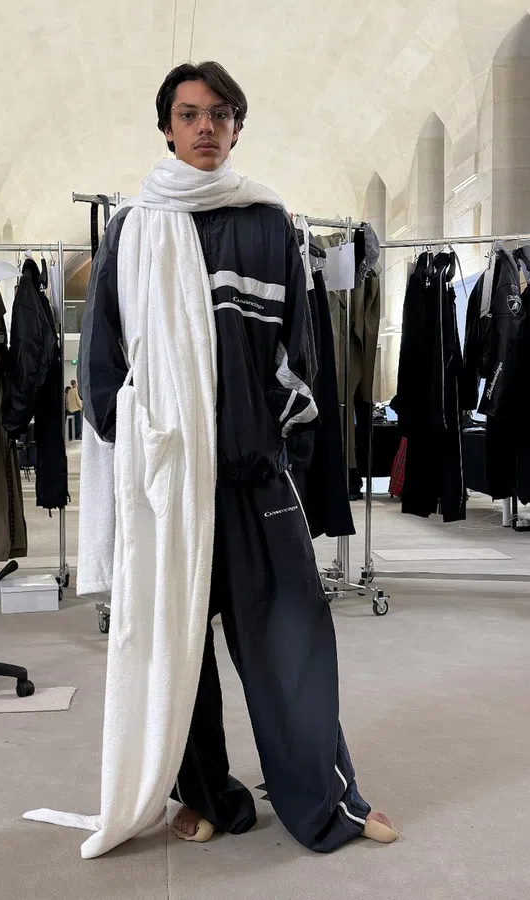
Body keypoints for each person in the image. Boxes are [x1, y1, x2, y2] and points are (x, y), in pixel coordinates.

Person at [82, 61, 396, 853]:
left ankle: (327, 797)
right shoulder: (133, 228)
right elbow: (103, 363)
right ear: (167, 128)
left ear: (237, 127)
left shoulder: (268, 223)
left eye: (221, 114)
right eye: (190, 114)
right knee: (176, 647)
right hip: (170, 480)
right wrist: (149, 448)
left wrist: (275, 443)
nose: (206, 127)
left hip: (255, 476)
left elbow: (302, 355)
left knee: (293, 638)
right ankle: (205, 796)